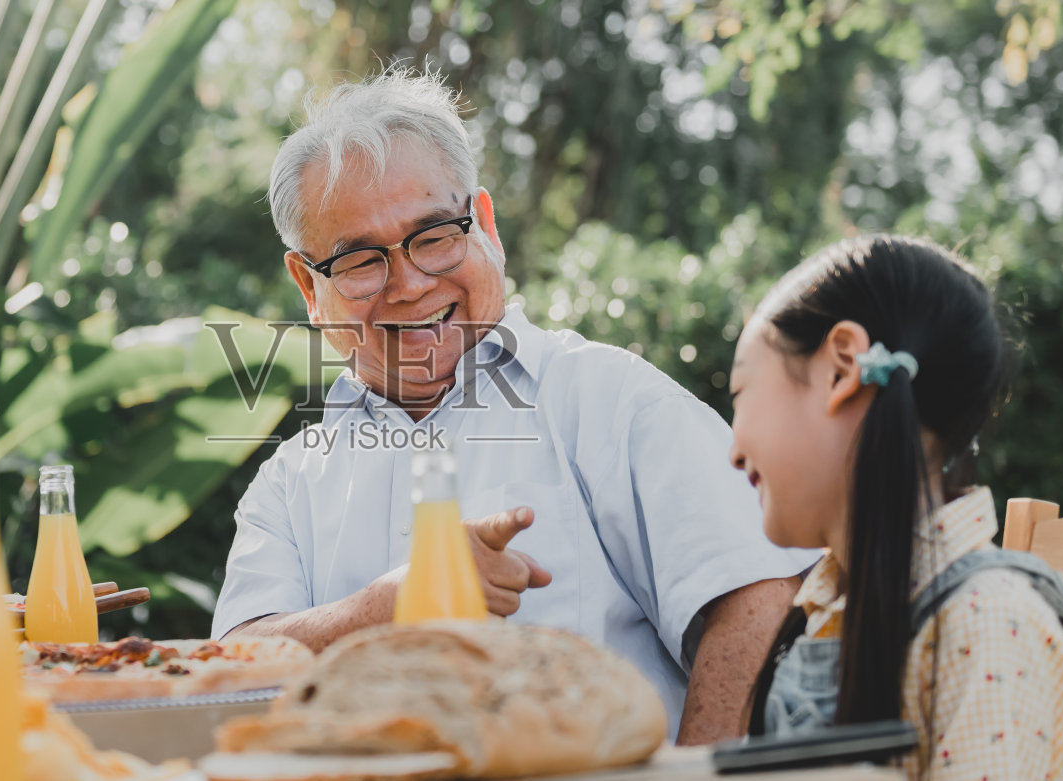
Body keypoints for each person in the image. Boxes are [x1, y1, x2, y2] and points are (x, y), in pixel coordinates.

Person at [211, 68, 818, 744]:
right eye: (359, 261)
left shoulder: (612, 401)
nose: (410, 283)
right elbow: (234, 666)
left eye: (436, 233)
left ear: (486, 226)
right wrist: (383, 607)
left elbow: (757, 594)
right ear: (307, 284)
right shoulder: (291, 481)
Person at [727, 235, 1063, 778]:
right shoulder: (831, 605)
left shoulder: (986, 624)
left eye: (740, 394)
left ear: (840, 369)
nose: (733, 450)